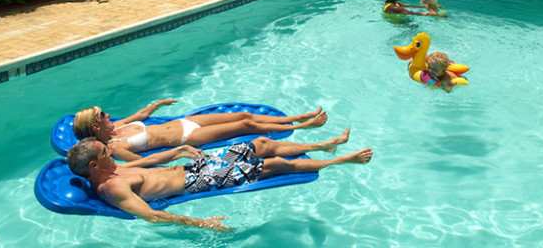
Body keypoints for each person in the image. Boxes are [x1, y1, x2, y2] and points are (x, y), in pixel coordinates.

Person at [66, 130, 373, 230]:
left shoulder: (113, 168)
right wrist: (199, 223)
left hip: (197, 166)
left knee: (261, 144)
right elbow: (150, 216)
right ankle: (339, 160)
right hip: (199, 182)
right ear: (94, 165)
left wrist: (178, 151)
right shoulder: (111, 186)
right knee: (274, 164)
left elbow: (147, 162)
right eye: (105, 152)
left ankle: (321, 146)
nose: (111, 152)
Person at [73, 99, 328, 161]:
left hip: (187, 121)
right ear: (96, 126)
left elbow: (141, 115)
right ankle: (305, 124)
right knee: (246, 126)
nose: (108, 115)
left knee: (243, 114)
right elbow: (145, 161)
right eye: (102, 115)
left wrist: (159, 104)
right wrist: (179, 153)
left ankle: (298, 116)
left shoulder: (117, 127)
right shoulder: (115, 147)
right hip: (187, 136)